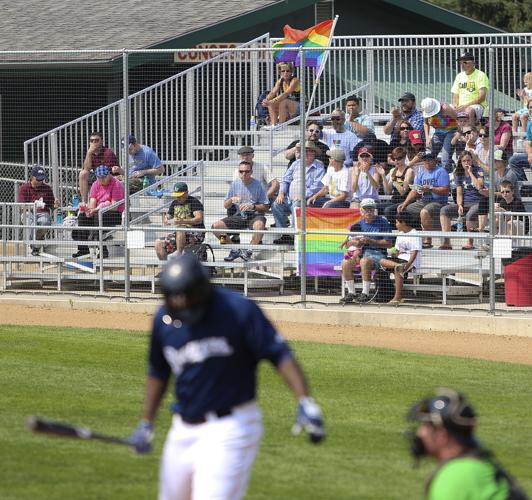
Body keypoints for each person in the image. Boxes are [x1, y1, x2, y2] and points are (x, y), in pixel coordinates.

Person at [126, 254, 325, 500]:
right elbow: (158, 371)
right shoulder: (164, 320)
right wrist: (147, 423)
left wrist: (305, 400)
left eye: (187, 296)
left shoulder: (238, 311)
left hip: (231, 428)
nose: (181, 303)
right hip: (183, 429)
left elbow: (279, 354)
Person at [407, 387, 527, 500]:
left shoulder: (455, 478)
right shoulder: (478, 463)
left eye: (426, 426)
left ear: (441, 435)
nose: (420, 432)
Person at [212, 160, 269, 261]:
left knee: (259, 225)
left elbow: (265, 206)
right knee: (215, 227)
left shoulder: (258, 185)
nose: (244, 174)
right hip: (239, 216)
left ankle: (249, 251)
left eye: (247, 171)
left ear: (251, 172)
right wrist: (231, 200)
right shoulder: (235, 184)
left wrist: (253, 206)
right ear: (238, 172)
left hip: (255, 216)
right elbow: (225, 205)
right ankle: (234, 249)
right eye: (241, 171)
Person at [339, 198, 392, 304]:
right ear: (361, 210)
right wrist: (356, 243)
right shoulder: (358, 224)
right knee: (345, 263)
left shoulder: (383, 222)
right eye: (366, 209)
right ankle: (351, 293)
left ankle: (365, 293)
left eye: (371, 209)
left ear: (375, 210)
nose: (369, 211)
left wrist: (371, 241)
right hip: (361, 253)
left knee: (364, 261)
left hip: (378, 253)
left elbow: (389, 243)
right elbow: (348, 243)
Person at [272, 141, 326, 244]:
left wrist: (303, 195)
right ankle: (284, 234)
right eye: (304, 151)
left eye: (309, 151)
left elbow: (317, 186)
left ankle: (294, 236)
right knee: (275, 205)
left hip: (305, 200)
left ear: (314, 153)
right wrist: (281, 193)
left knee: (297, 205)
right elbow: (285, 179)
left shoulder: (319, 167)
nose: (306, 153)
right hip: (288, 198)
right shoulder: (295, 164)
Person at [397, 152, 450, 249]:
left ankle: (427, 239)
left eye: (429, 160)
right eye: (425, 160)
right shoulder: (421, 173)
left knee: (424, 212)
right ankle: (409, 238)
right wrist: (404, 204)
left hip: (439, 201)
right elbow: (414, 191)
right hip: (424, 200)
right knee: (404, 211)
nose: (427, 162)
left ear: (435, 161)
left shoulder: (441, 171)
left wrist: (430, 188)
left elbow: (446, 190)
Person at [72, 165, 125, 259]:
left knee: (99, 216)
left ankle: (102, 249)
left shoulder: (116, 184)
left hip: (114, 213)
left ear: (109, 174)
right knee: (82, 217)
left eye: (104, 177)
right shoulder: (95, 184)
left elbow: (114, 206)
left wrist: (97, 210)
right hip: (99, 211)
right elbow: (92, 202)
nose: (102, 179)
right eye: (99, 177)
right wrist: (89, 210)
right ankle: (83, 250)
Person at [439, 151, 484, 250]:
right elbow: (459, 193)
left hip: (478, 203)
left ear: (472, 160)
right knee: (444, 210)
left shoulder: (478, 170)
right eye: (464, 161)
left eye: (468, 160)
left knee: (470, 214)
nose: (466, 163)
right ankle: (446, 241)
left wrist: (471, 172)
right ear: (460, 162)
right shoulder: (458, 173)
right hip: (465, 203)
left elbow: (479, 186)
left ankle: (470, 242)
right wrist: (459, 205)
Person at [379, 212, 421, 304]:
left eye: (397, 222)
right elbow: (397, 251)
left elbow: (414, 253)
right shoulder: (400, 234)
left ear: (404, 223)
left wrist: (408, 265)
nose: (396, 224)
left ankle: (397, 297)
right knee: (381, 261)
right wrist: (393, 253)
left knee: (398, 270)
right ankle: (398, 266)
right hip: (400, 260)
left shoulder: (414, 234)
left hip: (410, 261)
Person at [154, 182, 205, 261]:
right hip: (179, 235)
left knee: (181, 228)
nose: (178, 198)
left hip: (196, 233)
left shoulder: (194, 202)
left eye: (180, 196)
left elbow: (198, 219)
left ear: (186, 193)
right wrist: (166, 219)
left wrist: (182, 221)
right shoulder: (174, 203)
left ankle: (179, 256)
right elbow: (168, 216)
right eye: (176, 196)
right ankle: (165, 269)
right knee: (158, 243)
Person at [17, 165, 59, 256]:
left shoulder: (47, 188)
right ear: (32, 177)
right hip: (28, 212)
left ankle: (35, 245)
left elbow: (52, 205)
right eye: (38, 179)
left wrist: (56, 205)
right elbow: (21, 207)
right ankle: (36, 244)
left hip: (43, 212)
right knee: (31, 223)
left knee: (44, 222)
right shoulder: (24, 188)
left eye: (42, 179)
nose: (40, 181)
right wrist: (33, 206)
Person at [477, 149, 521, 234]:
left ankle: (494, 233)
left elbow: (506, 194)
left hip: (511, 201)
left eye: (497, 160)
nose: (494, 162)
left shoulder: (510, 174)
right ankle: (481, 229)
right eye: (493, 160)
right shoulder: (495, 174)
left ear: (504, 162)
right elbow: (493, 191)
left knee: (496, 205)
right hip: (500, 199)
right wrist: (485, 192)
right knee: (483, 201)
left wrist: (490, 193)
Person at [79, 131, 120, 203]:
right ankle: (84, 202)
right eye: (92, 141)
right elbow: (86, 169)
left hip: (109, 176)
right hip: (97, 175)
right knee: (83, 174)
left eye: (97, 140)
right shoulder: (91, 153)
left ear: (102, 141)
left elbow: (108, 172)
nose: (94, 142)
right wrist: (89, 153)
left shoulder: (108, 152)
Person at [451, 52, 489, 126]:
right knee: (445, 108)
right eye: (461, 63)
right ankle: (450, 133)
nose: (462, 65)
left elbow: (482, 97)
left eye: (465, 62)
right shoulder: (459, 76)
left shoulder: (481, 75)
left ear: (473, 63)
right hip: (460, 106)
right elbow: (455, 95)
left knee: (469, 110)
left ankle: (470, 132)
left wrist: (465, 106)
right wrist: (455, 105)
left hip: (476, 105)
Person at [421, 97, 458, 172]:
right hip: (438, 133)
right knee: (431, 155)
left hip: (450, 131)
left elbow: (458, 119)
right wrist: (427, 138)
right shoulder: (426, 109)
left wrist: (458, 134)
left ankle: (446, 175)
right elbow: (426, 123)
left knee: (445, 158)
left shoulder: (445, 108)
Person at [383, 147, 415, 226]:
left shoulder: (409, 171)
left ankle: (398, 228)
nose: (396, 161)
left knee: (388, 210)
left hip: (405, 201)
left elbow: (403, 191)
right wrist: (383, 175)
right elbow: (388, 191)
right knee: (376, 207)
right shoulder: (393, 171)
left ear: (404, 158)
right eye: (395, 158)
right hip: (394, 200)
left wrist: (395, 180)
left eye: (399, 158)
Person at [508, 100, 532, 182]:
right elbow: (528, 142)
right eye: (530, 107)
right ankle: (525, 186)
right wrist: (530, 154)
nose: (531, 109)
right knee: (513, 160)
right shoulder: (530, 124)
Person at [512, 72, 532, 137]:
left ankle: (524, 134)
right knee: (514, 116)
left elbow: (530, 102)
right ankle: (514, 134)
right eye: (524, 78)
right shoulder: (525, 89)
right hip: (525, 108)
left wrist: (524, 95)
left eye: (527, 78)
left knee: (523, 116)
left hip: (530, 109)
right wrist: (521, 96)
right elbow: (524, 101)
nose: (525, 80)